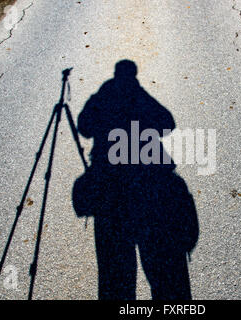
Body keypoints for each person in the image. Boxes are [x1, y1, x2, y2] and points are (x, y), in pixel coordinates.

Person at [72, 60, 198, 300]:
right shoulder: (140, 96)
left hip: (110, 188)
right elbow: (168, 123)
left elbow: (84, 127)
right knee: (161, 271)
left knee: (115, 273)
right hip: (148, 184)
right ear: (133, 74)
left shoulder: (102, 95)